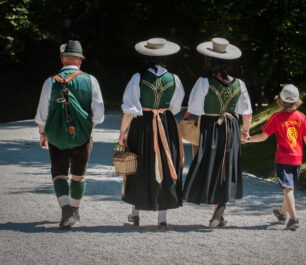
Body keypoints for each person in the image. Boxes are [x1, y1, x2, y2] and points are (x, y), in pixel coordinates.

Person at [183, 38, 253, 228]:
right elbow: (247, 113)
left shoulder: (204, 82)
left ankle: (218, 206)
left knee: (211, 166)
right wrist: (245, 133)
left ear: (211, 62)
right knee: (226, 167)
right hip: (231, 128)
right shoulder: (240, 84)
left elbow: (195, 108)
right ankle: (218, 211)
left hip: (210, 127)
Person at [35, 40, 105, 230]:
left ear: (62, 59)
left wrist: (43, 134)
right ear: (80, 61)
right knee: (78, 175)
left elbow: (42, 114)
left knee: (59, 173)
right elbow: (99, 115)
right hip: (82, 135)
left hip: (56, 135)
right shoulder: (91, 81)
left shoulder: (50, 81)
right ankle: (74, 210)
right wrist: (86, 128)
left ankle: (66, 210)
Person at [118, 38, 185, 231]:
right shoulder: (174, 79)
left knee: (138, 165)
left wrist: (122, 133)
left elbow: (129, 110)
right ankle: (162, 218)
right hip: (166, 125)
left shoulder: (137, 78)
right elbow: (175, 107)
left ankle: (135, 213)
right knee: (164, 165)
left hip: (142, 126)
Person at [244, 84, 306, 230]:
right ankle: (283, 214)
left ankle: (294, 219)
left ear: (281, 100)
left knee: (288, 189)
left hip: (283, 159)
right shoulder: (301, 117)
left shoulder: (276, 117)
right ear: (297, 100)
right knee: (288, 188)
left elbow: (264, 137)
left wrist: (248, 139)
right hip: (297, 159)